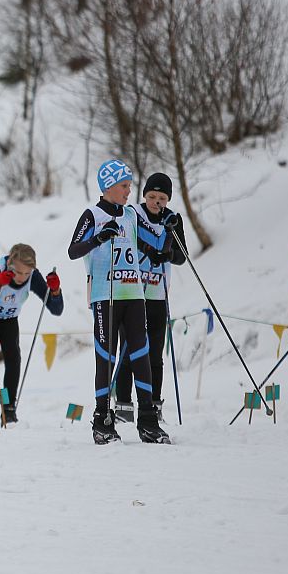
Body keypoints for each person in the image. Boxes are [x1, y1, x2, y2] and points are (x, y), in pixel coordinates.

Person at [67, 159, 171, 445]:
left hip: (134, 295)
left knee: (142, 355)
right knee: (107, 358)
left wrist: (168, 224)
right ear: (109, 186)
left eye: (129, 186)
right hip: (106, 296)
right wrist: (99, 238)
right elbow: (73, 251)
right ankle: (102, 421)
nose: (129, 192)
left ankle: (148, 421)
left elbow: (157, 245)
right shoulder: (92, 215)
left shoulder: (130, 215)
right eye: (125, 186)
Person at [114, 173, 188, 423]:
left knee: (155, 353)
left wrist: (166, 253)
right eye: (152, 196)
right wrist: (149, 250)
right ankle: (123, 404)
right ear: (144, 195)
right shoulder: (133, 214)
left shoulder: (172, 220)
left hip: (157, 295)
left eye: (162, 198)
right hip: (131, 292)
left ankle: (154, 405)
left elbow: (182, 256)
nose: (157, 201)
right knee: (129, 350)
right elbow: (126, 239)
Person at [0, 244, 63, 428]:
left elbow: (56, 309)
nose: (22, 278)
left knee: (13, 356)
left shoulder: (33, 277)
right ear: (10, 266)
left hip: (8, 315)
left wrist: (55, 290)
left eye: (27, 273)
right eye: (18, 272)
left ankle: (9, 410)